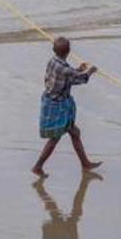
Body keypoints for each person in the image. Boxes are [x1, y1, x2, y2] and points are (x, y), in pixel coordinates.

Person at [32, 37, 101, 176]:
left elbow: (67, 75)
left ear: (54, 50)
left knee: (74, 133)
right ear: (68, 51)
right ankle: (37, 166)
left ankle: (85, 163)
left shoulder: (52, 61)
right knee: (55, 139)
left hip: (53, 101)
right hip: (57, 106)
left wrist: (78, 69)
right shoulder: (65, 69)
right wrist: (90, 71)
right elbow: (81, 79)